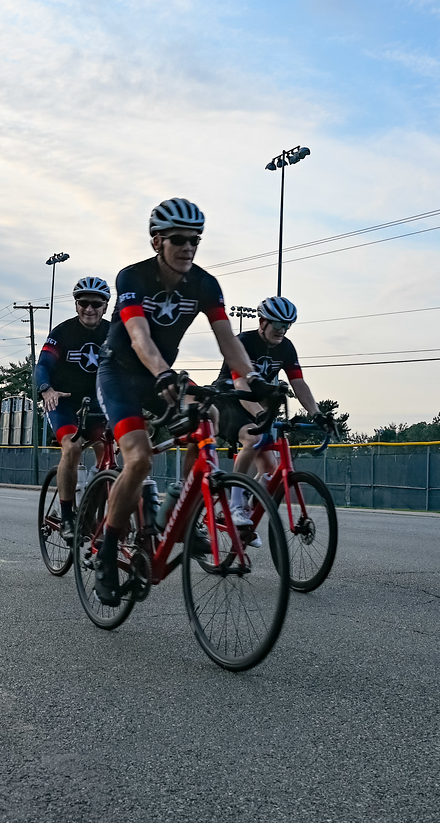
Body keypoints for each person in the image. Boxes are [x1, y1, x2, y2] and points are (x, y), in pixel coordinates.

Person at [93, 198, 257, 605]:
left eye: (195, 240)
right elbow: (138, 336)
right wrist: (163, 372)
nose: (188, 248)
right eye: (179, 240)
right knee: (139, 459)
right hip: (121, 374)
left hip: (162, 374)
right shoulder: (133, 276)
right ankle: (107, 552)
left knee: (209, 414)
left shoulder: (205, 284)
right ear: (157, 242)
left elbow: (228, 341)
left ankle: (177, 511)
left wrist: (255, 382)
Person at [214, 295, 331, 531]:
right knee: (253, 438)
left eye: (287, 325)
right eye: (277, 324)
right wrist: (259, 414)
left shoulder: (286, 347)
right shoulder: (244, 342)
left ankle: (247, 513)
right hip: (229, 400)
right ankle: (234, 506)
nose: (282, 330)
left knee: (271, 469)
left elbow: (299, 384)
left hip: (255, 403)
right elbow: (240, 383)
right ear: (262, 321)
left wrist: (317, 414)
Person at [37, 276, 112, 545]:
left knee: (110, 453)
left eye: (96, 304)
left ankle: (92, 509)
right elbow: (43, 365)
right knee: (72, 448)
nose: (89, 309)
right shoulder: (62, 332)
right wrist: (46, 389)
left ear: (105, 306)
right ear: (76, 304)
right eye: (83, 303)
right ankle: (68, 517)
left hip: (99, 404)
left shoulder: (114, 333)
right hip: (64, 402)